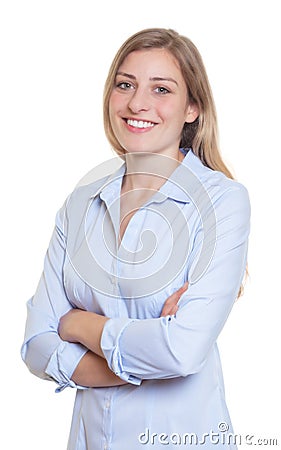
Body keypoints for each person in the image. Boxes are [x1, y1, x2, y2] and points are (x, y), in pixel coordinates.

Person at [21, 28, 250, 449]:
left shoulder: (222, 202)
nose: (137, 103)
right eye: (125, 84)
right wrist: (141, 357)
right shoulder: (81, 203)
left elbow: (181, 350)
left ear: (192, 108)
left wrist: (78, 324)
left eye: (161, 89)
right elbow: (37, 344)